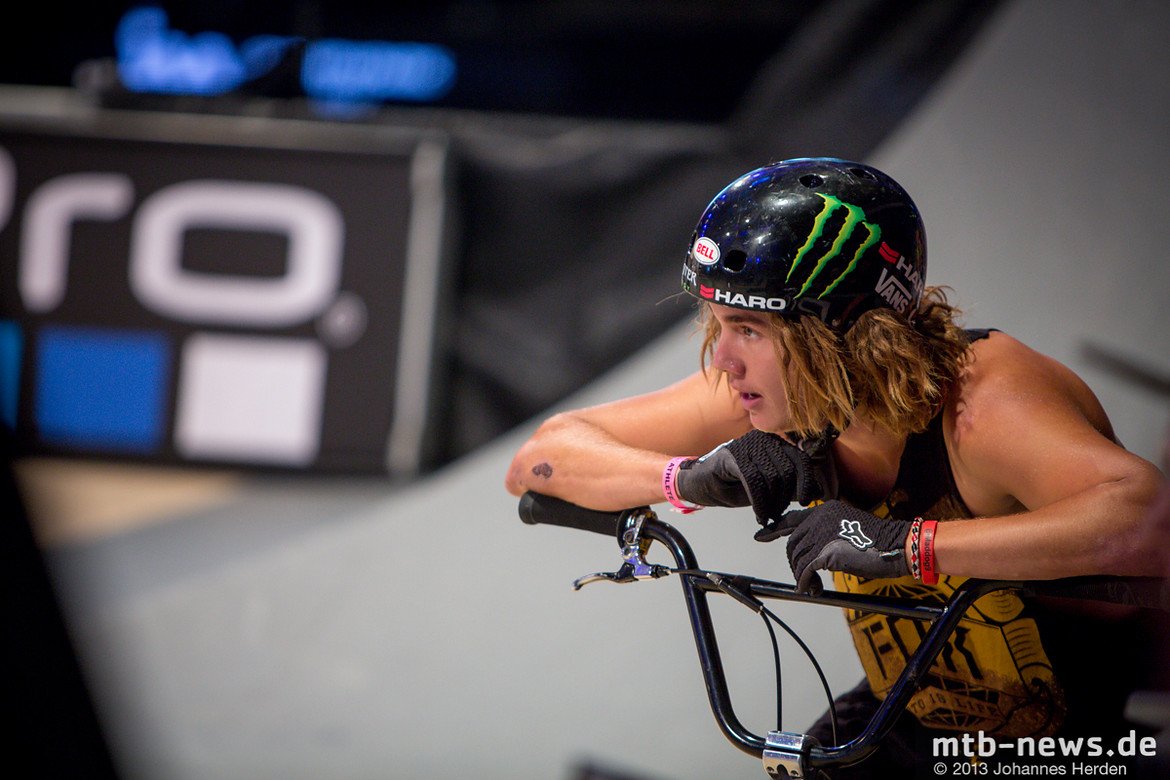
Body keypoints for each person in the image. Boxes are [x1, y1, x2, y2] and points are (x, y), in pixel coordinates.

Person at [505, 158, 1167, 776]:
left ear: (843, 333)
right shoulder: (784, 394)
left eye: (749, 329)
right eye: (719, 324)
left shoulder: (980, 402)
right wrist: (690, 479)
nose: (724, 360)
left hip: (1072, 737)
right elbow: (541, 458)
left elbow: (1148, 522)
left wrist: (908, 546)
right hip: (918, 706)